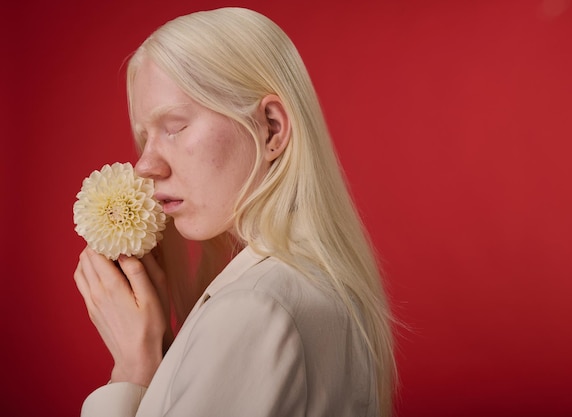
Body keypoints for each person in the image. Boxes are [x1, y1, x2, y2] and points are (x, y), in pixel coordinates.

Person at [74, 7, 396, 417]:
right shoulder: (328, 289)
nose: (144, 165)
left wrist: (133, 370)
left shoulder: (252, 307)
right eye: (145, 137)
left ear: (271, 128)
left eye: (174, 127)